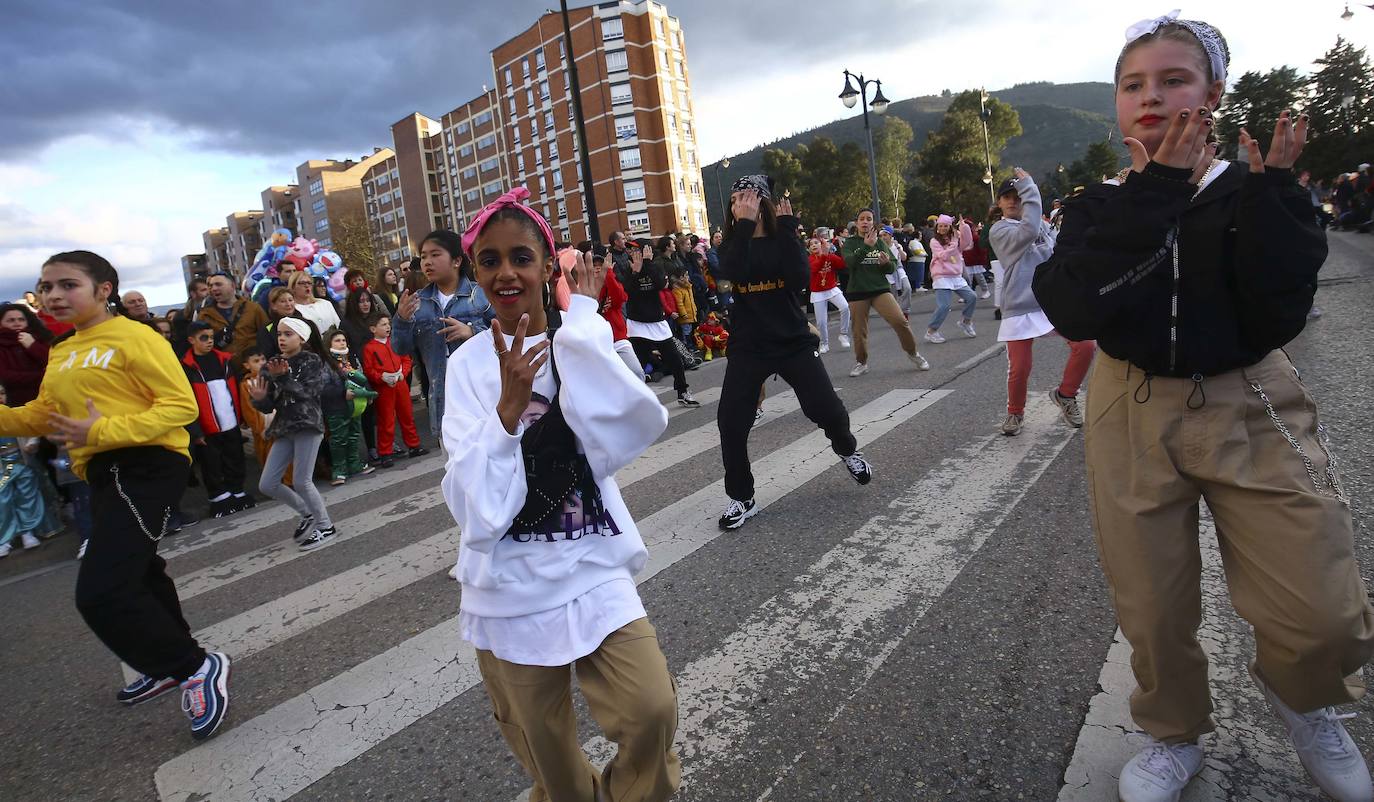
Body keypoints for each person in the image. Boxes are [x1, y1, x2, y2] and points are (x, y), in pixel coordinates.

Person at [1033, 13, 1374, 802]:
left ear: (1212, 93)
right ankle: (1173, 732)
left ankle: (1303, 696)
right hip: (1130, 401)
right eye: (1132, 85)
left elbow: (1280, 309)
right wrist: (1154, 193)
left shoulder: (1252, 192)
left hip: (1248, 392)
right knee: (1150, 602)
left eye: (1174, 79)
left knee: (1323, 607)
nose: (1151, 97)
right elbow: (1074, 310)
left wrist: (1280, 197)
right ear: (1115, 105)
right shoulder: (1098, 205)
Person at [442, 186, 680, 801]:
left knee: (651, 708)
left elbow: (628, 427)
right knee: (546, 750)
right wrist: (506, 413)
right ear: (476, 273)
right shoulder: (467, 367)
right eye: (489, 261)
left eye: (521, 257)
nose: (506, 273)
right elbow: (472, 504)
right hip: (510, 582)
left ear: (549, 266)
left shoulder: (582, 340)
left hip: (592, 560)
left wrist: (583, 328)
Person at [0, 250, 230, 740]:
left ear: (104, 289)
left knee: (101, 592)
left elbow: (178, 406)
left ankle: (193, 667)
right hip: (102, 469)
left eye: (67, 284)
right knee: (142, 572)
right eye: (46, 286)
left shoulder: (134, 335)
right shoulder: (63, 350)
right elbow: (45, 414)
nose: (53, 295)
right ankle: (172, 662)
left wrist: (104, 429)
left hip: (147, 463)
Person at [716, 176, 873, 530]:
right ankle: (742, 497)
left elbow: (800, 278)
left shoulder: (782, 236)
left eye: (751, 198)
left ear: (766, 204)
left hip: (792, 341)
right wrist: (742, 226)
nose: (743, 203)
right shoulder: (732, 243)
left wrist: (788, 229)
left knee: (825, 409)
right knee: (730, 422)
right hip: (748, 347)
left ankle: (847, 449)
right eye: (737, 198)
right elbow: (730, 272)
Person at [988, 171, 1096, 437]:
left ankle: (1066, 395)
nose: (1013, 201)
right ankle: (1015, 412)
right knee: (1021, 367)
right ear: (999, 203)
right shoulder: (999, 230)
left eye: (1018, 197)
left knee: (1085, 345)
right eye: (1007, 197)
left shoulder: (1043, 226)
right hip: (1019, 305)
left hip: (1052, 302)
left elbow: (1061, 251)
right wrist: (1029, 188)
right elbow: (1027, 232)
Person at [247, 317, 338, 552]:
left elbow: (309, 392)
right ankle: (306, 512)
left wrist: (283, 377)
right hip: (285, 427)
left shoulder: (311, 360)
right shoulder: (271, 365)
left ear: (302, 338)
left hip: (308, 424)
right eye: (279, 334)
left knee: (301, 480)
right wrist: (258, 399)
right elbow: (269, 405)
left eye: (288, 334)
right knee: (267, 483)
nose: (282, 338)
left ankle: (325, 525)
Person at [393, 230, 496, 439]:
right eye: (423, 257)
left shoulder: (481, 294)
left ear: (457, 260)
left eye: (435, 254)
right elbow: (400, 348)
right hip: (444, 404)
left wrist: (473, 331)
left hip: (486, 399)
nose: (427, 262)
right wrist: (402, 321)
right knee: (455, 468)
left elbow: (507, 333)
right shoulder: (417, 303)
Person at [841, 208, 930, 376]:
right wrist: (866, 247)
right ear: (857, 223)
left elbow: (892, 266)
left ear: (873, 223)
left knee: (900, 321)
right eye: (862, 219)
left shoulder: (880, 241)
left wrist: (885, 264)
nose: (865, 222)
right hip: (858, 292)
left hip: (880, 290)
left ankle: (913, 353)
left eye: (869, 219)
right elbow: (849, 263)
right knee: (859, 331)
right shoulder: (850, 243)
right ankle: (861, 362)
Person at [180, 321, 255, 518]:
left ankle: (237, 490)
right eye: (204, 338)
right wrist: (195, 431)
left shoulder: (224, 360)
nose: (209, 342)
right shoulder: (185, 367)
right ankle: (219, 496)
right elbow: (186, 401)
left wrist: (242, 417)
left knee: (235, 457)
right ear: (191, 340)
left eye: (211, 337)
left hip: (230, 421)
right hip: (206, 427)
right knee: (211, 464)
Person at [622, 241, 698, 406]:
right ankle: (634, 400)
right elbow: (627, 291)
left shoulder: (655, 266)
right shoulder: (629, 268)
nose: (631, 252)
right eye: (630, 249)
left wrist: (647, 264)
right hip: (637, 323)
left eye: (635, 249)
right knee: (638, 363)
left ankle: (683, 391)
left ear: (645, 251)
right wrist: (635, 273)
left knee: (675, 359)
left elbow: (660, 285)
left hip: (657, 322)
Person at [363, 314, 427, 468]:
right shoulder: (369, 348)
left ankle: (413, 445)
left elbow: (406, 360)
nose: (387, 327)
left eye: (388, 324)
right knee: (386, 420)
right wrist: (381, 377)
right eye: (383, 324)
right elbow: (369, 369)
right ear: (373, 329)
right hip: (384, 388)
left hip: (400, 384)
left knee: (407, 415)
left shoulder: (395, 343)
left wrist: (402, 374)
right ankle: (385, 452)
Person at [0, 382, 53, 557]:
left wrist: (32, 443)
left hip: (21, 462)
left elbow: (29, 428)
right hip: (2, 468)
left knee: (27, 495)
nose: (1, 397)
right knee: (3, 501)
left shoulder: (15, 413)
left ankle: (27, 532)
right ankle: (5, 538)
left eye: (2, 393)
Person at [323, 330, 377, 486]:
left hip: (354, 405)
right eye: (337, 341)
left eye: (343, 340)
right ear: (329, 344)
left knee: (354, 434)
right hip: (336, 407)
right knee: (339, 439)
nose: (342, 343)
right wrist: (342, 393)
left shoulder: (348, 360)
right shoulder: (326, 364)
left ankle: (354, 464)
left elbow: (360, 377)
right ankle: (339, 470)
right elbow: (323, 387)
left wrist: (367, 393)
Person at [924, 215, 978, 343]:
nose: (942, 228)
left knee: (972, 297)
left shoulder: (955, 239)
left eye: (945, 226)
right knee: (944, 306)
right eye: (940, 226)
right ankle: (931, 331)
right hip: (941, 276)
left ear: (950, 227)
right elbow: (942, 256)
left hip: (955, 276)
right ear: (937, 227)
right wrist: (954, 244)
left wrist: (963, 227)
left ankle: (966, 321)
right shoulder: (934, 241)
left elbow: (967, 243)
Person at [197, 272, 268, 367]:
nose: (213, 289)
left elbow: (267, 333)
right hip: (224, 371)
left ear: (232, 286)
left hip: (252, 370)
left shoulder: (253, 309)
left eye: (218, 284)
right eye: (210, 286)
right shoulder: (205, 315)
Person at [0, 303, 53, 407]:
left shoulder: (40, 338)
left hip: (47, 397)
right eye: (11, 320)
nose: (17, 323)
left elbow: (53, 362)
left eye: (21, 319)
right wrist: (42, 376)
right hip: (14, 402)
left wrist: (33, 346)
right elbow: (6, 376)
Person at [807, 237, 850, 354]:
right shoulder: (810, 259)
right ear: (809, 248)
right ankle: (824, 343)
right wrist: (825, 255)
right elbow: (815, 268)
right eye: (811, 244)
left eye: (816, 243)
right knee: (821, 322)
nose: (814, 245)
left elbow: (842, 264)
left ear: (822, 245)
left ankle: (844, 334)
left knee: (845, 307)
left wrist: (842, 250)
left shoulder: (830, 256)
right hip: (817, 292)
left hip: (831, 288)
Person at [287, 270, 340, 335]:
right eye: (302, 283)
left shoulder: (325, 303)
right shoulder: (292, 308)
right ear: (293, 287)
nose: (307, 286)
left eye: (309, 283)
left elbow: (338, 324)